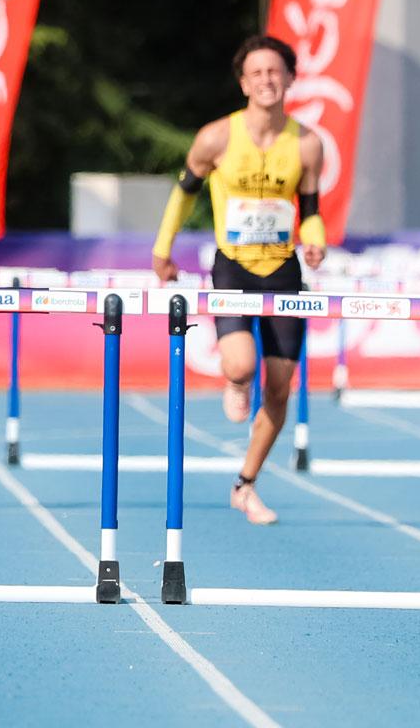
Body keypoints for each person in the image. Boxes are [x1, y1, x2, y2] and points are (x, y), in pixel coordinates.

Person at [153, 34, 326, 526]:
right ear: (243, 82)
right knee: (243, 364)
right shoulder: (216, 138)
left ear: (290, 78)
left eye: (276, 72)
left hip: (283, 269)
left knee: (278, 389)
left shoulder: (307, 144)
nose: (267, 81)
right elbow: (183, 195)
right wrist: (162, 250)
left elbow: (311, 212)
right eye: (257, 73)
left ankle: (245, 484)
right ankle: (234, 378)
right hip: (233, 265)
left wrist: (315, 240)